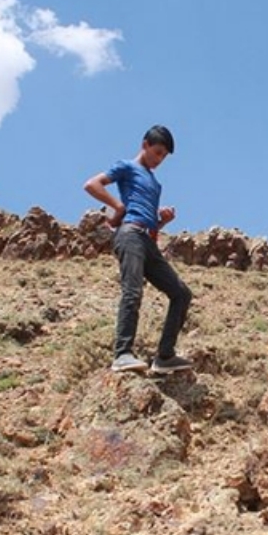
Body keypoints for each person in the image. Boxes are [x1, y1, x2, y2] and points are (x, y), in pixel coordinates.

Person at [83, 125, 193, 374]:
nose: (160, 159)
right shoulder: (127, 166)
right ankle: (122, 354)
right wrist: (118, 207)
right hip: (130, 235)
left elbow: (149, 221)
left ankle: (165, 356)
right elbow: (92, 184)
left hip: (148, 241)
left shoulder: (155, 183)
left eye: (164, 156)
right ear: (145, 145)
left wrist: (162, 220)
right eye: (157, 152)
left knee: (181, 294)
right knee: (132, 291)